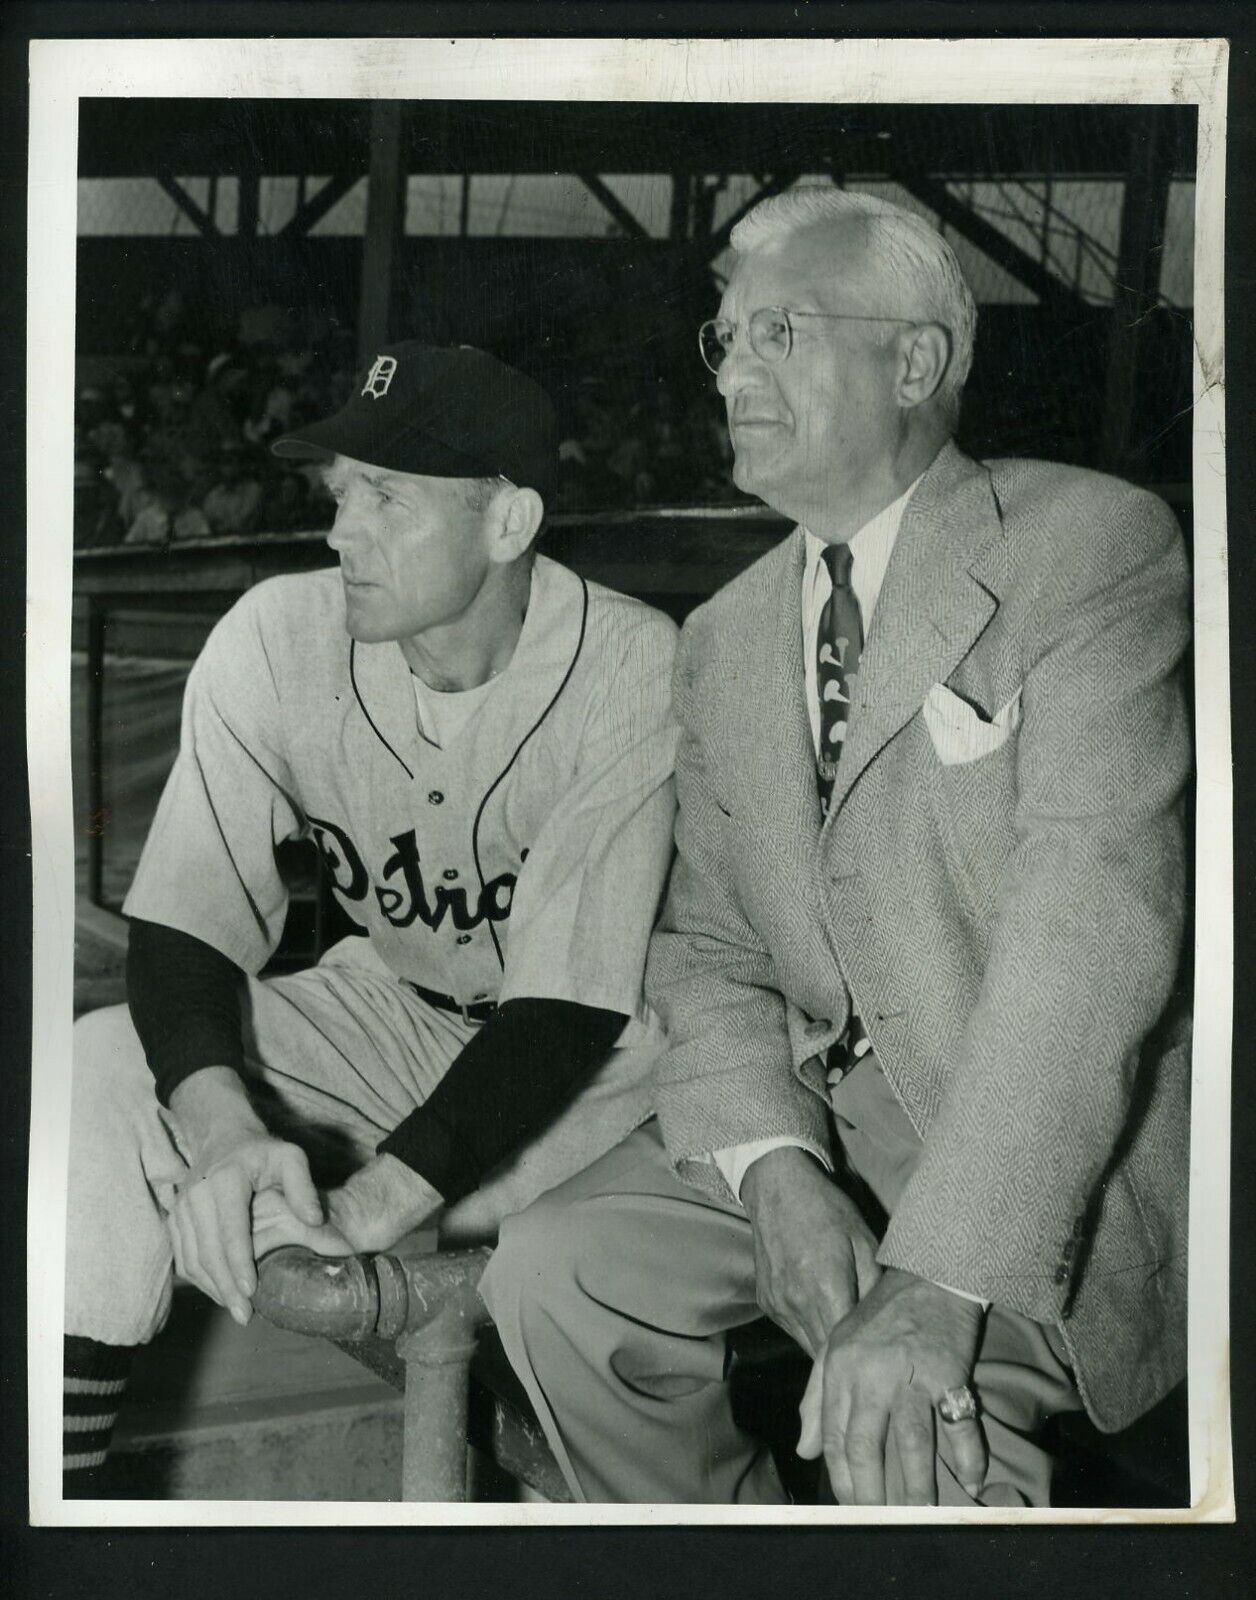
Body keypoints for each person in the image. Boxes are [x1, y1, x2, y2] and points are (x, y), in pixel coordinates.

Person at [481, 186, 1192, 1507]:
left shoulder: (1094, 546)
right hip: (831, 1119)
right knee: (554, 1271)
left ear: (913, 362)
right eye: (725, 339)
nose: (732, 371)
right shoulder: (724, 634)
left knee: (914, 1425)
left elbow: (1093, 937)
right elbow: (707, 947)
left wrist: (932, 1279)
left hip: (1034, 1133)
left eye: (780, 333)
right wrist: (772, 1167)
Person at [63, 342, 678, 1497]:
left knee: (561, 1327)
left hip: (599, 1066)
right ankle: (60, 1504)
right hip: (391, 1004)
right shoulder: (276, 634)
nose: (341, 528)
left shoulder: (633, 662)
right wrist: (222, 1129)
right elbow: (184, 925)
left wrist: (370, 1205)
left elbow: (560, 1010)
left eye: (388, 495)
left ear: (508, 522)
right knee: (92, 1070)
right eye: (341, 490)